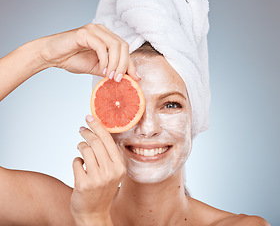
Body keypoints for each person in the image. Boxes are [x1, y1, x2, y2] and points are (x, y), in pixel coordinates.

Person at [0, 23, 270, 226]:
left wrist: (93, 219)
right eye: (131, 104)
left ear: (194, 118)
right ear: (106, 115)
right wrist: (43, 54)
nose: (148, 127)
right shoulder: (56, 209)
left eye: (170, 105)